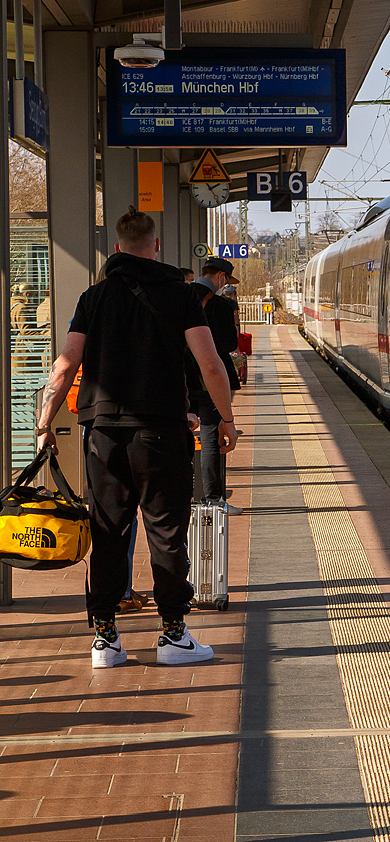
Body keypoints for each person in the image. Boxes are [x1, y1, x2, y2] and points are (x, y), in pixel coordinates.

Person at [36, 207, 238, 669]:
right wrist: (225, 419)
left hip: (102, 434)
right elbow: (211, 364)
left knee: (108, 532)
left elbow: (65, 364)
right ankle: (173, 635)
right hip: (162, 433)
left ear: (116, 249)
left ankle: (105, 640)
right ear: (157, 246)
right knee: (167, 534)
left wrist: (45, 422)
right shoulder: (182, 296)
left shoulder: (94, 296)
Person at [189, 258, 243, 514]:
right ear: (221, 277)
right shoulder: (221, 305)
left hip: (180, 381)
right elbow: (229, 344)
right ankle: (212, 499)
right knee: (211, 439)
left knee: (180, 439)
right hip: (209, 382)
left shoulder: (179, 297)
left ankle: (184, 498)